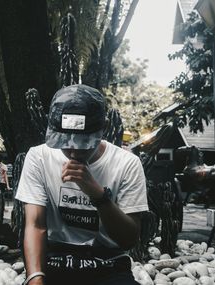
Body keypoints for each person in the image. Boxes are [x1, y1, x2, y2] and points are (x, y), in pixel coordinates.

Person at [16, 84, 148, 285]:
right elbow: (35, 225)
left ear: (103, 129)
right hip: (55, 260)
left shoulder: (127, 163)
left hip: (108, 263)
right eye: (66, 144)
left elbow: (129, 240)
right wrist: (35, 277)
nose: (74, 153)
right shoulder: (39, 157)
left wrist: (98, 196)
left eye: (84, 144)